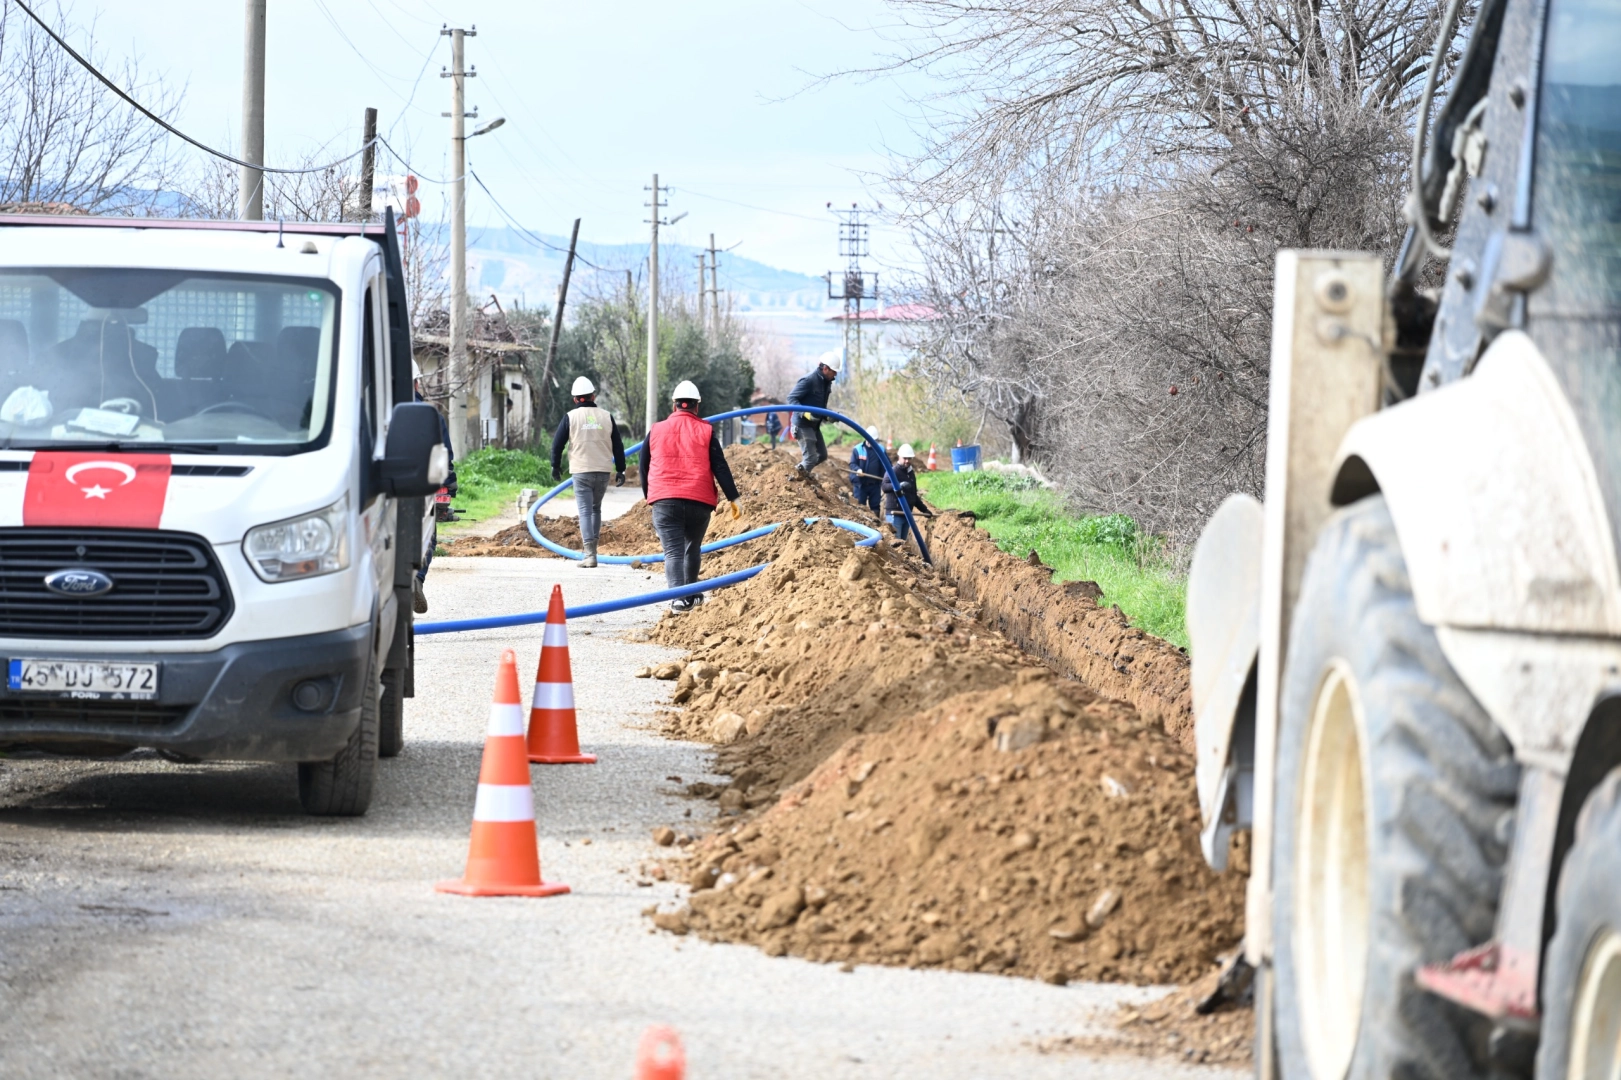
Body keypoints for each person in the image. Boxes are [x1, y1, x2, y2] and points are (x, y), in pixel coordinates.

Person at [640, 380, 741, 612]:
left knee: (673, 552)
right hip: (699, 501)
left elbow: (644, 465)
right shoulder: (706, 431)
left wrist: (650, 496)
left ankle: (678, 599)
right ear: (697, 407)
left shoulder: (656, 429)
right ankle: (691, 594)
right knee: (692, 547)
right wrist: (734, 498)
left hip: (664, 501)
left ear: (674, 406)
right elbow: (720, 466)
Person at [550, 376, 627, 569]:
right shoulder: (606, 416)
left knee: (585, 511)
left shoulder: (570, 417)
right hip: (602, 471)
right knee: (595, 509)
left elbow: (557, 444)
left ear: (575, 399)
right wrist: (621, 469)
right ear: (593, 396)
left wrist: (555, 466)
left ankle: (590, 555)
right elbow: (618, 445)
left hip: (581, 471)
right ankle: (593, 552)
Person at [413, 361, 455, 614]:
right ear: (417, 383)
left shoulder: (373, 411)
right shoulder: (430, 416)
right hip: (423, 490)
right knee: (428, 536)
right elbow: (444, 456)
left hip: (380, 489)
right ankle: (417, 578)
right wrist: (448, 489)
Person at [786, 351, 839, 474]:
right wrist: (804, 413)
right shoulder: (809, 380)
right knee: (811, 459)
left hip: (814, 425)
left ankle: (802, 474)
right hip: (802, 425)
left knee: (822, 455)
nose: (835, 374)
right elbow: (791, 398)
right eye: (834, 371)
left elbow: (819, 405)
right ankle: (794, 478)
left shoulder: (826, 383)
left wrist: (827, 415)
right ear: (825, 368)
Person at [881, 443, 935, 543]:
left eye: (909, 459)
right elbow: (884, 487)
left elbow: (913, 495)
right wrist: (898, 486)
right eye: (905, 458)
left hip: (907, 515)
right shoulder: (893, 471)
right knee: (896, 544)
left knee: (903, 544)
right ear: (899, 457)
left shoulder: (911, 473)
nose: (907, 461)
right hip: (895, 514)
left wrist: (925, 510)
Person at [847, 434, 883, 517]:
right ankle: (861, 523)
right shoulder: (858, 449)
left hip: (875, 484)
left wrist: (885, 478)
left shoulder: (881, 450)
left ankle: (876, 525)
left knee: (875, 506)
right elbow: (852, 463)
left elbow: (887, 465)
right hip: (860, 484)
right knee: (860, 506)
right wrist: (858, 470)